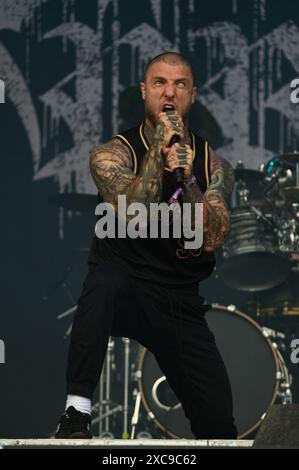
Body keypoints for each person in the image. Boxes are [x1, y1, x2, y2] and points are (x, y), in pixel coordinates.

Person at [55, 52, 237, 439]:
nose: (169, 92)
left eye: (180, 84)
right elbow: (132, 212)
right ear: (144, 91)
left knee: (219, 423)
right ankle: (76, 411)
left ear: (192, 95)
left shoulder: (212, 164)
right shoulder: (112, 153)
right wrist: (158, 149)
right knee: (103, 283)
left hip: (178, 300)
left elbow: (213, 239)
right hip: (125, 286)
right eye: (159, 83)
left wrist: (188, 180)